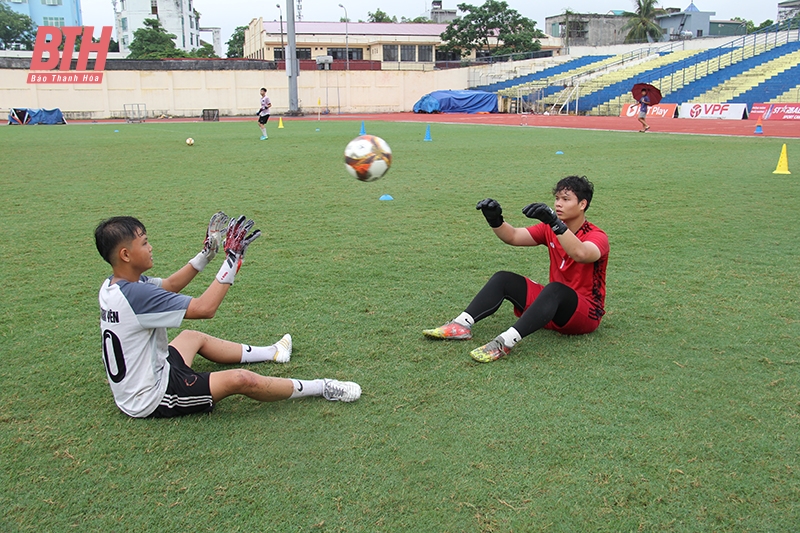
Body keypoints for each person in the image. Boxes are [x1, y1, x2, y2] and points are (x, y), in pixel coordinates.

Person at [95, 212, 361, 419]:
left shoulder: (115, 287)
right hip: (152, 396)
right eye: (145, 242)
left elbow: (170, 285)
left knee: (190, 337)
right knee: (241, 380)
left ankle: (274, 352)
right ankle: (323, 386)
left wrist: (207, 254)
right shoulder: (137, 296)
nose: (151, 247)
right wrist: (232, 260)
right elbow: (205, 308)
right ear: (126, 254)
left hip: (150, 373)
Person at [423, 175, 609, 363]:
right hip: (551, 309)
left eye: (566, 199)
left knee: (555, 290)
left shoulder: (597, 236)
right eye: (557, 198)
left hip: (585, 315)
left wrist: (555, 223)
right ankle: (460, 325)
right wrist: (495, 220)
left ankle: (504, 342)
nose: (558, 204)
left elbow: (582, 254)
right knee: (504, 279)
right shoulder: (550, 229)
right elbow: (513, 236)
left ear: (582, 204)